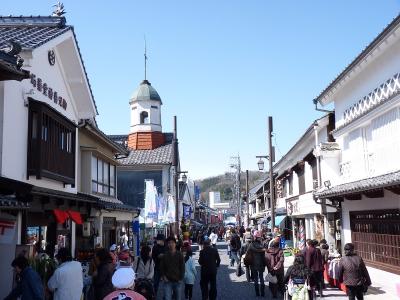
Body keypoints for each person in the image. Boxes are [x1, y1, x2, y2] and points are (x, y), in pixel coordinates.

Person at [248, 230, 266, 297]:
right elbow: (264, 256)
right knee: (261, 278)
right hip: (261, 263)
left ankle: (257, 293)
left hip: (253, 263)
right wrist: (265, 264)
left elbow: (247, 253)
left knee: (255, 279)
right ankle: (263, 293)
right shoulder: (262, 245)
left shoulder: (251, 245)